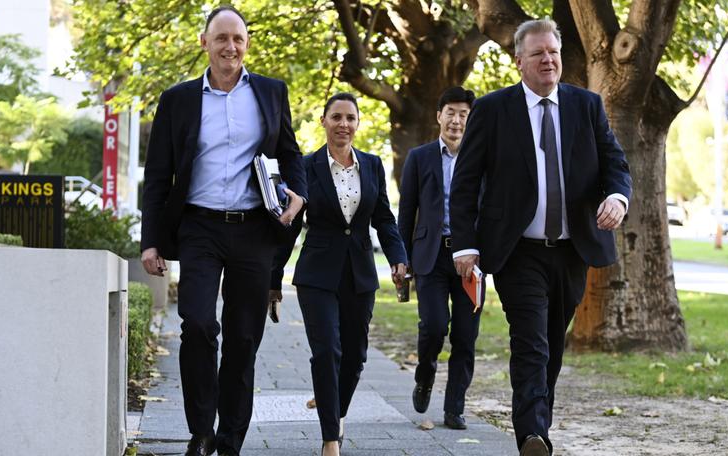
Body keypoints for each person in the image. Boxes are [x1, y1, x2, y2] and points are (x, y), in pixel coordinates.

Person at [449, 19, 632, 456]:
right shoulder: (494, 110)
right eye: (538, 53)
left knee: (550, 343)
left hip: (572, 251)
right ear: (519, 62)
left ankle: (536, 422)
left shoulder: (586, 105)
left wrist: (618, 198)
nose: (548, 60)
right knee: (530, 340)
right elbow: (466, 182)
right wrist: (466, 244)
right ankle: (532, 435)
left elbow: (615, 163)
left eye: (553, 51)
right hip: (517, 251)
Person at [139, 6, 307, 456]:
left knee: (243, 336)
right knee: (197, 325)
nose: (230, 47)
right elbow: (157, 176)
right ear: (204, 43)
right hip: (198, 227)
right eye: (221, 39)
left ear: (247, 42)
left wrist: (300, 194)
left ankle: (231, 439)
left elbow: (290, 153)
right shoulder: (178, 99)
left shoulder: (271, 93)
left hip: (254, 229)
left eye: (238, 38)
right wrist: (151, 240)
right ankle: (201, 431)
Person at [272, 92, 407, 456]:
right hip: (317, 273)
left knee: (356, 356)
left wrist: (398, 258)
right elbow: (291, 224)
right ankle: (331, 437)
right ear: (324, 121)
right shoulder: (304, 166)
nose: (343, 124)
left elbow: (383, 219)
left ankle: (331, 402)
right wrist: (274, 279)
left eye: (350, 118)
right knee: (327, 351)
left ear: (357, 122)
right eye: (336, 117)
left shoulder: (372, 165)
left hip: (360, 273)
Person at [397, 86, 484, 430]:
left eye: (464, 114)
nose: (457, 120)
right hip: (430, 256)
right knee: (433, 327)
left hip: (471, 262)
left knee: (465, 335)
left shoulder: (482, 157)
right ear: (439, 116)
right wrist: (401, 258)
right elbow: (407, 213)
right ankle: (425, 374)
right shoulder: (420, 157)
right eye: (451, 112)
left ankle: (455, 407)